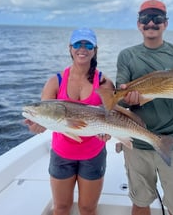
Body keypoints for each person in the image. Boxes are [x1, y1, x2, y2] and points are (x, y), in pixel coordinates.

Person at [116, 0, 173, 215]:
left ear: (166, 23)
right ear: (138, 24)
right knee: (140, 202)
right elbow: (120, 97)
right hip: (138, 144)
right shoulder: (127, 56)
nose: (151, 23)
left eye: (157, 18)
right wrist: (126, 98)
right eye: (145, 18)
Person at [25, 27, 114, 215]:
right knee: (61, 207)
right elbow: (44, 118)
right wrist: (37, 126)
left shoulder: (105, 83)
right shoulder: (55, 82)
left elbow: (111, 117)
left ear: (95, 50)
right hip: (62, 154)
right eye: (77, 44)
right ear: (70, 48)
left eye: (88, 44)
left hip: (93, 154)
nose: (82, 48)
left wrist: (109, 132)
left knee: (88, 208)